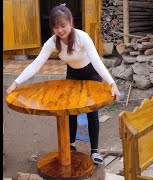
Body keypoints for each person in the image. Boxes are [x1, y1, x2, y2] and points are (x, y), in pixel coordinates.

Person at [6, 4, 121, 165]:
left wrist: (112, 83)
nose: (60, 30)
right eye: (56, 27)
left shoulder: (82, 37)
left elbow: (97, 62)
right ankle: (71, 145)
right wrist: (16, 82)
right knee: (70, 110)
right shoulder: (53, 42)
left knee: (92, 113)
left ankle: (94, 151)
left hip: (91, 74)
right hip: (73, 74)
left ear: (70, 22)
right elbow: (36, 64)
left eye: (63, 25)